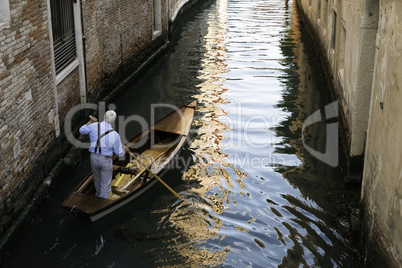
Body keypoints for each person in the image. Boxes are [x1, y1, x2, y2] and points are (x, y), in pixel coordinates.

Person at [79, 110, 128, 198]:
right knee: (105, 184)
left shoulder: (93, 125)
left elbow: (81, 130)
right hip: (105, 160)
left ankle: (98, 195)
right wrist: (125, 150)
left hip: (93, 158)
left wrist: (90, 122)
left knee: (97, 180)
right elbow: (119, 153)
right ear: (113, 121)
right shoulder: (115, 134)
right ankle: (102, 203)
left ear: (104, 117)